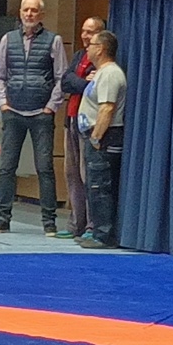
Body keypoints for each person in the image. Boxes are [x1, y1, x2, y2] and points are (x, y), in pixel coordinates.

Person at [0, 0, 67, 235]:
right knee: (6, 167)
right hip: (13, 113)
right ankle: (2, 218)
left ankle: (49, 221)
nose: (29, 14)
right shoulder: (7, 39)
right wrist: (3, 103)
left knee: (45, 168)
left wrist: (51, 107)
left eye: (34, 10)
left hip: (41, 114)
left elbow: (61, 77)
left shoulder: (54, 40)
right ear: (20, 13)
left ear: (41, 15)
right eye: (26, 10)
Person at [78, 30, 126, 250]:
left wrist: (96, 137)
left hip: (104, 138)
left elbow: (107, 108)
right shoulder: (100, 73)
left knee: (100, 187)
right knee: (93, 186)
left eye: (92, 44)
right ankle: (97, 231)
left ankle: (104, 236)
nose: (87, 47)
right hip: (95, 136)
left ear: (101, 49)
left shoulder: (110, 74)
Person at [58, 15, 103, 241]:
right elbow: (65, 82)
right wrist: (84, 82)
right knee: (72, 173)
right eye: (84, 31)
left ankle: (92, 226)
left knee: (88, 174)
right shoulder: (78, 56)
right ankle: (76, 223)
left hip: (88, 123)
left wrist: (80, 83)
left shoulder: (102, 61)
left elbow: (96, 88)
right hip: (71, 119)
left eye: (90, 32)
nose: (85, 36)